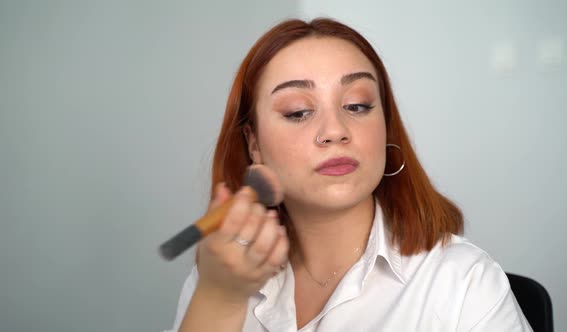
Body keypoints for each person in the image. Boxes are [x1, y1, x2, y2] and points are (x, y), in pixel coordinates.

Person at [164, 18, 532, 332]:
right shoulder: (219, 276)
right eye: (298, 112)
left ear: (386, 127)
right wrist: (219, 300)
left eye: (357, 105)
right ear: (254, 143)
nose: (335, 130)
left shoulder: (464, 284)